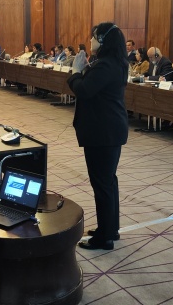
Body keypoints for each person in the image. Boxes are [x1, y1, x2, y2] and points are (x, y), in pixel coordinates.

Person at [68, 22, 128, 251]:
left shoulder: (105, 65)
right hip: (109, 129)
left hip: (102, 132)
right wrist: (84, 71)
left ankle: (104, 237)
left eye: (94, 37)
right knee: (108, 181)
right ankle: (110, 228)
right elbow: (94, 88)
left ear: (102, 40)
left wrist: (76, 71)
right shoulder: (114, 62)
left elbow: (84, 90)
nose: (90, 40)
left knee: (102, 184)